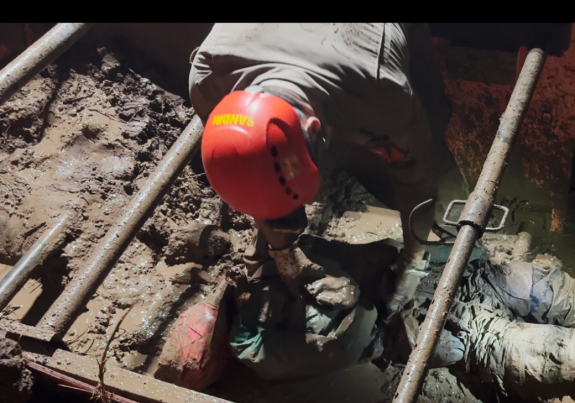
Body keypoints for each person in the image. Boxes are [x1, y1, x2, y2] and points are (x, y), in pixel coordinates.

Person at [188, 23, 467, 320]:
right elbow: (252, 172)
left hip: (368, 43)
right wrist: (284, 254)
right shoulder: (208, 76)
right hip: (299, 49)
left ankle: (457, 216)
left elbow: (417, 178)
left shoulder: (383, 95)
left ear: (315, 127)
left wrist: (411, 263)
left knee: (429, 123)